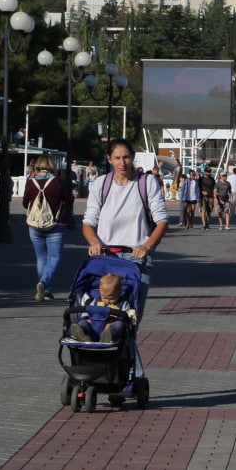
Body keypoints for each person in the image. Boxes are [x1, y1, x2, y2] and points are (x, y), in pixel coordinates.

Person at [82, 139, 169, 260]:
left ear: (133, 156)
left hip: (137, 254)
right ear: (109, 159)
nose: (122, 163)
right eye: (117, 158)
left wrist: (147, 246)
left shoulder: (147, 182)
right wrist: (94, 243)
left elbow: (162, 220)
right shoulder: (100, 183)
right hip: (106, 253)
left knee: (138, 279)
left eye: (126, 157)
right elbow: (88, 223)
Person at [22, 155, 75, 301]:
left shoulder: (31, 182)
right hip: (56, 224)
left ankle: (45, 290)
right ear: (52, 165)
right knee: (54, 257)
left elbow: (25, 203)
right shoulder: (58, 182)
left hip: (35, 224)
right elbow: (69, 200)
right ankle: (44, 283)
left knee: (41, 258)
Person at [69, 272, 136, 343]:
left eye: (111, 298)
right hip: (93, 324)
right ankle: (81, 332)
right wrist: (87, 319)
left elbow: (127, 317)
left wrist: (130, 316)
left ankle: (108, 335)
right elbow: (88, 311)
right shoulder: (96, 301)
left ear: (120, 292)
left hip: (110, 325)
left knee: (119, 325)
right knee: (83, 322)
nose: (107, 301)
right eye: (104, 297)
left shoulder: (123, 304)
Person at [198, 166, 217, 230]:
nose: (209, 173)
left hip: (211, 197)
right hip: (203, 197)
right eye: (208, 172)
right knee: (203, 210)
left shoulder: (212, 179)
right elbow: (198, 188)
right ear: (205, 172)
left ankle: (207, 224)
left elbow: (214, 188)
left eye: (210, 172)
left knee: (209, 211)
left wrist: (215, 197)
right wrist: (202, 191)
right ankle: (203, 224)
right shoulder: (201, 179)